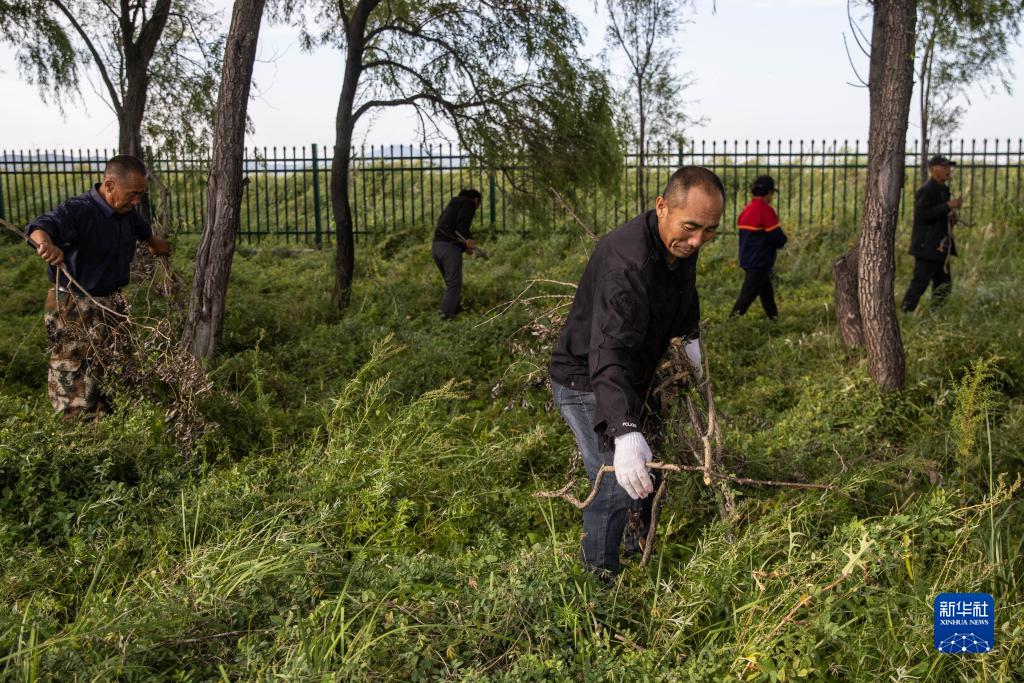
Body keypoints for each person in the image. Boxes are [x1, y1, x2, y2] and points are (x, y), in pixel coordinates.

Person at [549, 166, 724, 578]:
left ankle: (635, 545)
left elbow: (684, 294)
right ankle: (598, 580)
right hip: (587, 379)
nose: (698, 241)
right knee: (615, 478)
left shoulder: (679, 241)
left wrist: (690, 341)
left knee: (650, 463)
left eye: (710, 231)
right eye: (691, 228)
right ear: (662, 206)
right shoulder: (626, 265)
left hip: (636, 371)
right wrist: (625, 430)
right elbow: (607, 354)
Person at [27, 154, 170, 417]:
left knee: (111, 369)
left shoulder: (126, 212)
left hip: (112, 303)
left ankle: (106, 424)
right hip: (75, 304)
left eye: (141, 194)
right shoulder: (79, 210)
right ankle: (73, 431)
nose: (136, 201)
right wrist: (45, 244)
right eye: (133, 194)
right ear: (110, 185)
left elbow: (142, 228)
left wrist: (153, 243)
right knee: (74, 374)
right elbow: (40, 226)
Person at [901, 155, 962, 312]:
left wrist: (951, 217)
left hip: (940, 246)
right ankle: (906, 312)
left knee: (944, 284)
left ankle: (936, 314)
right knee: (920, 283)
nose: (948, 170)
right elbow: (923, 215)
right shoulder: (927, 190)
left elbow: (938, 215)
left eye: (949, 167)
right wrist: (948, 206)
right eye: (944, 167)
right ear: (932, 169)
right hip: (927, 247)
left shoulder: (944, 190)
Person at [730, 175, 787, 320]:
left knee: (766, 292)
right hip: (759, 261)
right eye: (772, 193)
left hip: (748, 259)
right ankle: (731, 322)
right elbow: (776, 237)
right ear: (769, 193)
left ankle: (774, 319)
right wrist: (783, 241)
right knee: (746, 296)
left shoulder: (746, 210)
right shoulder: (765, 210)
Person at [431, 189, 481, 320]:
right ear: (476, 200)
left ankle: (455, 310)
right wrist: (468, 239)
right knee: (454, 284)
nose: (476, 209)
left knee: (451, 283)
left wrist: (465, 245)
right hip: (449, 249)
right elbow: (461, 226)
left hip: (437, 246)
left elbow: (451, 229)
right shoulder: (469, 203)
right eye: (478, 205)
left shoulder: (452, 205)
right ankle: (444, 316)